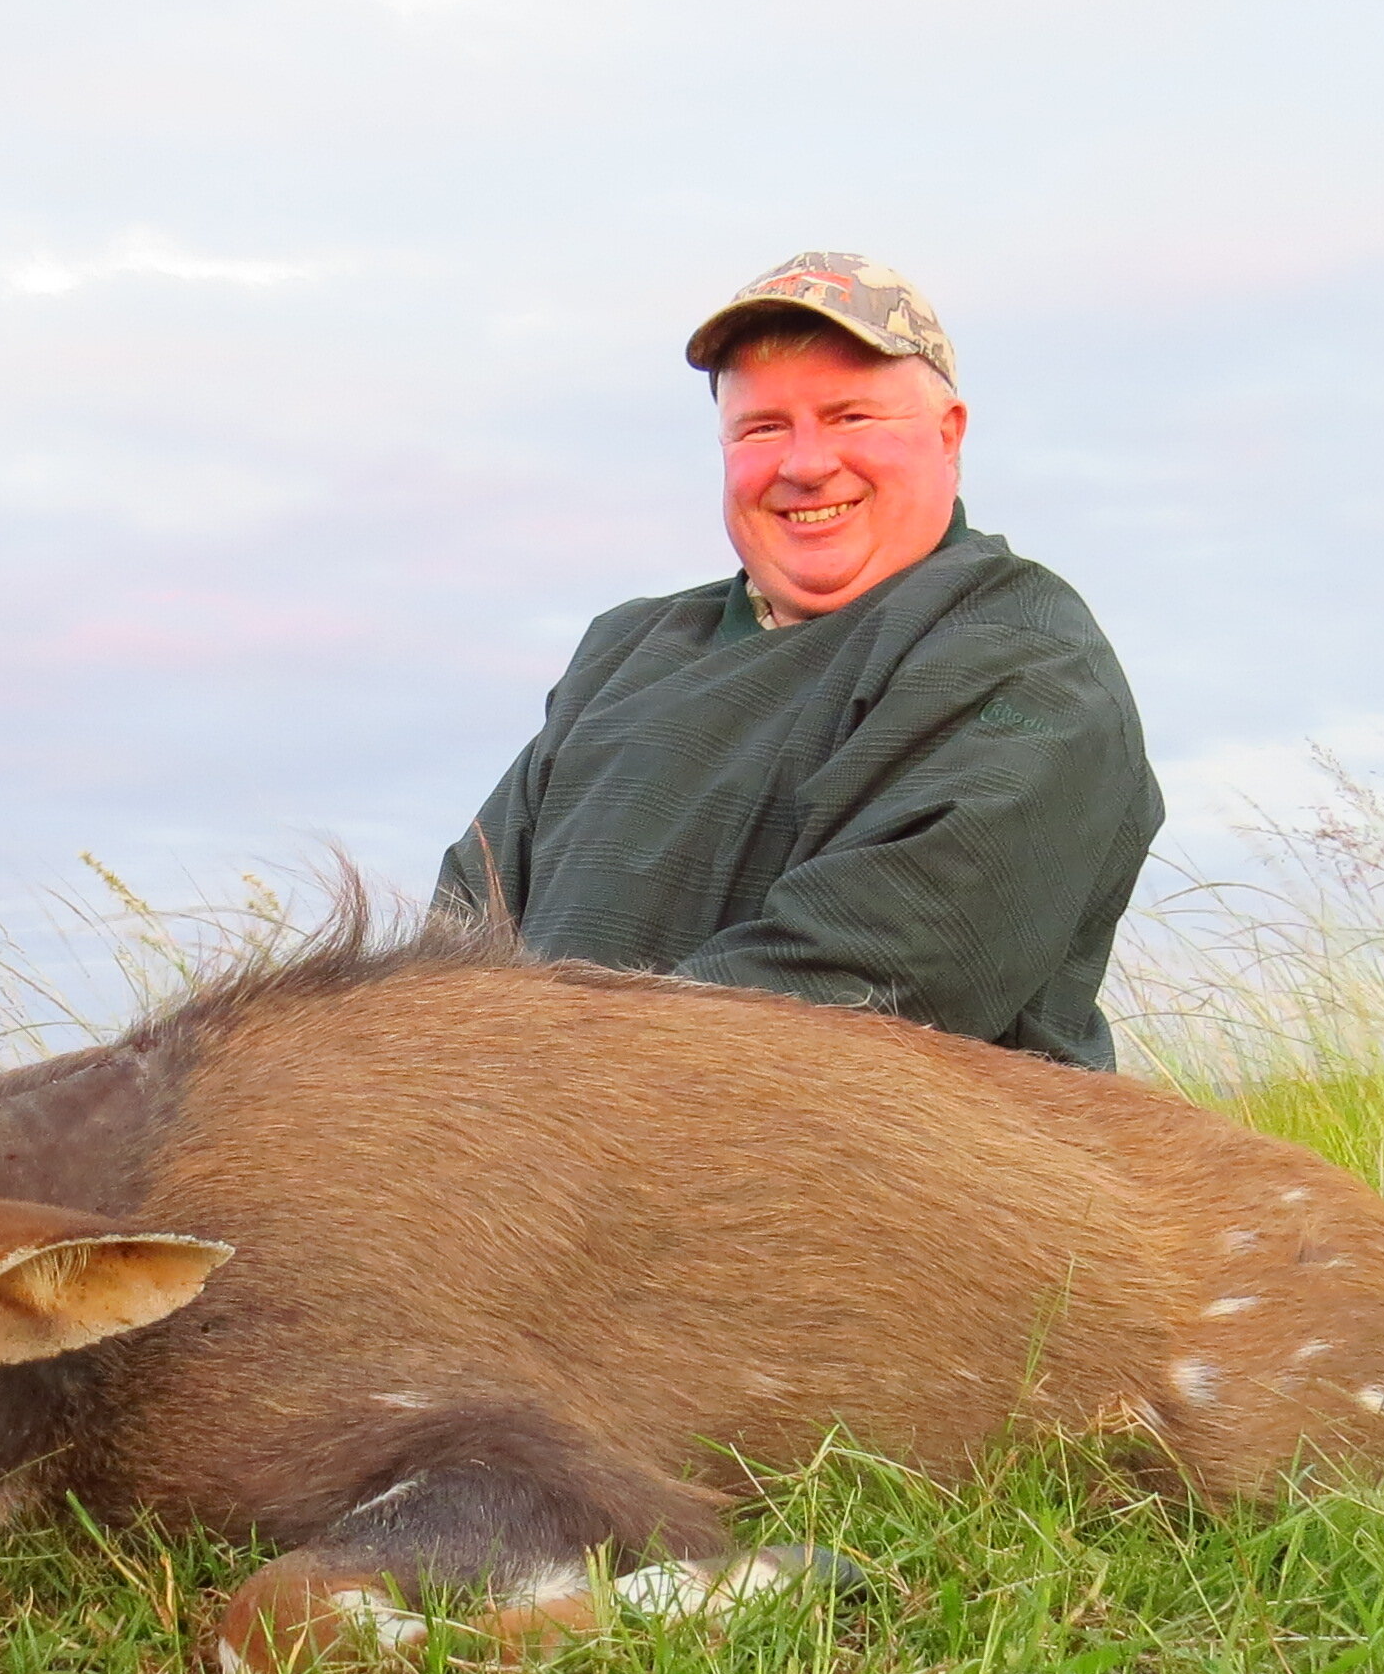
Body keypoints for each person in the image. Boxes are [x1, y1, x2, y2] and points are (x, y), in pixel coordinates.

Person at [437, 253, 1164, 1070]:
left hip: (883, 1182)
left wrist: (527, 1094)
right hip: (536, 1169)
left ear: (948, 434)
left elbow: (868, 986)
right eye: (763, 428)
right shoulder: (625, 650)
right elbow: (462, 932)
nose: (806, 463)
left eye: (851, 417)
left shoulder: (1023, 655)